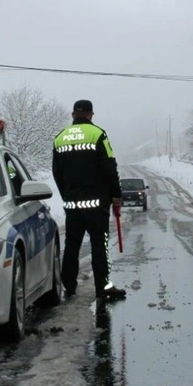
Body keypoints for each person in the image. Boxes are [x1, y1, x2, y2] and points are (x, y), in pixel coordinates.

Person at [52, 99, 127, 301]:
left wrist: (66, 194)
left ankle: (69, 286)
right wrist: (116, 195)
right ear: (91, 115)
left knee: (72, 246)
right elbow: (110, 167)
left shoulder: (60, 138)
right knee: (99, 245)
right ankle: (102, 287)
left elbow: (57, 173)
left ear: (72, 115)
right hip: (96, 203)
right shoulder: (98, 135)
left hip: (72, 203)